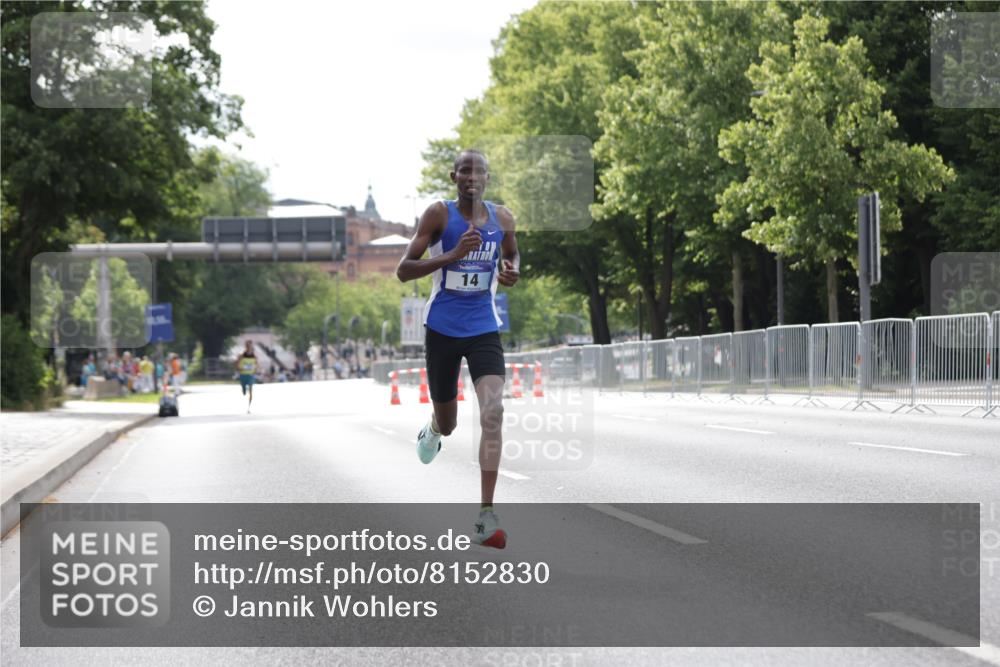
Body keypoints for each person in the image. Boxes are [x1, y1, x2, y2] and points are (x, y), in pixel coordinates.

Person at [395, 148, 519, 549]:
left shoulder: (502, 219)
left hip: (484, 326)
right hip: (443, 328)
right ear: (454, 177)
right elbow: (403, 270)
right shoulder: (438, 215)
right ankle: (434, 428)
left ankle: (486, 515)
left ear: (487, 178)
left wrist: (511, 268)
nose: (471, 176)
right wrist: (452, 255)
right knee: (449, 422)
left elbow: (513, 253)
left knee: (494, 410)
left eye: (478, 171)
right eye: (464, 170)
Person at [235, 340, 258, 412]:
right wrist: (239, 368)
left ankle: (249, 407)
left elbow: (257, 364)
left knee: (251, 391)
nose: (249, 347)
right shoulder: (242, 355)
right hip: (243, 375)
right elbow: (237, 363)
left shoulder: (254, 356)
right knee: (244, 392)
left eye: (250, 345)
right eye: (248, 345)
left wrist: (255, 369)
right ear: (246, 346)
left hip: (251, 375)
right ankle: (243, 389)